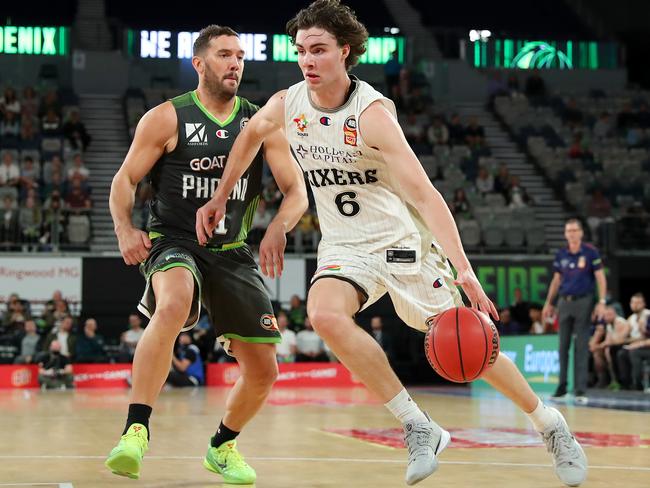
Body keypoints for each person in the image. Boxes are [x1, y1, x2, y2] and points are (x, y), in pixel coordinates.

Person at [196, 2, 588, 486]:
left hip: (404, 245)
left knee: (471, 350)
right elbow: (249, 136)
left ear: (345, 51)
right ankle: (417, 424)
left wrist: (464, 269)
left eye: (318, 50)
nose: (307, 61)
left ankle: (550, 425)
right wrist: (219, 195)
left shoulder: (374, 115)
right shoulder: (288, 103)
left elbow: (425, 194)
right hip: (345, 248)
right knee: (323, 314)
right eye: (301, 51)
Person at [105, 25, 307, 484]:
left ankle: (221, 445)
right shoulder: (166, 117)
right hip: (175, 241)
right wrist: (123, 228)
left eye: (239, 55)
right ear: (199, 63)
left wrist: (278, 225)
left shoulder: (260, 121)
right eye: (223, 55)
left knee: (264, 372)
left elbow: (296, 191)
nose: (235, 62)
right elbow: (123, 180)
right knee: (173, 302)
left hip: (233, 250)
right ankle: (136, 428)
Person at [543, 218, 607, 402]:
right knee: (563, 346)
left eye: (574, 230)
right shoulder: (561, 254)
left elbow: (600, 277)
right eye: (568, 231)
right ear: (565, 234)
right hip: (564, 302)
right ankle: (562, 387)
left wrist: (601, 301)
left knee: (581, 346)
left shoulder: (590, 252)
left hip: (584, 301)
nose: (571, 233)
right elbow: (556, 281)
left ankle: (580, 390)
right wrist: (549, 302)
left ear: (581, 233)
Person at [589, 307, 630, 389]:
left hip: (624, 346)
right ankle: (603, 380)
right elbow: (608, 340)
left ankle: (618, 381)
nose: (607, 317)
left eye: (609, 315)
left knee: (610, 352)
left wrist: (599, 346)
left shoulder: (620, 322)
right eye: (605, 315)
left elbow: (618, 340)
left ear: (615, 314)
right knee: (597, 354)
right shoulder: (609, 325)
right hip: (614, 347)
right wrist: (598, 347)